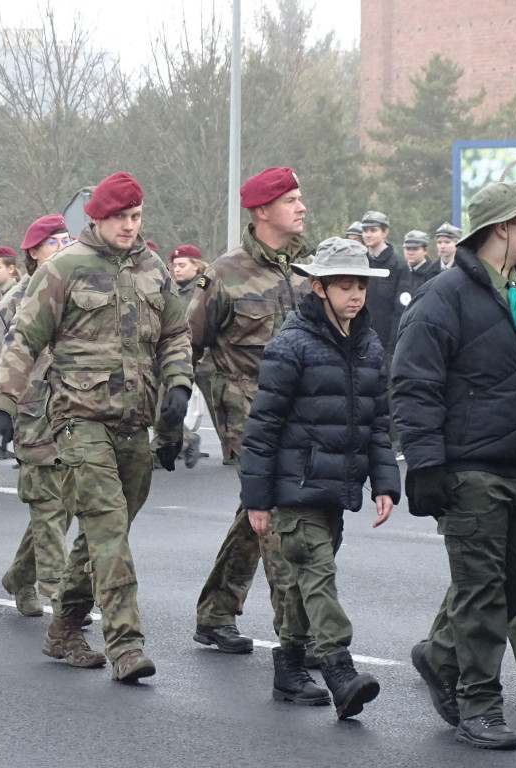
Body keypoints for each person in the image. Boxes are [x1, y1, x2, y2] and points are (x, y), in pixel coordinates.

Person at [0, 172, 192, 682]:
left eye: (136, 216)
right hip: (78, 419)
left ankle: (65, 627)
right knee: (108, 528)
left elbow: (175, 332)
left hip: (134, 421)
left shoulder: (152, 267)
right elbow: (23, 342)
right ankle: (126, 645)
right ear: (96, 218)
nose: (129, 225)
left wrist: (179, 386)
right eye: (120, 217)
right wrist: (2, 408)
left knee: (103, 532)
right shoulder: (64, 267)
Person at [392, 181, 516, 750]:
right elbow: (413, 383)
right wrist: (424, 463)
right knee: (480, 590)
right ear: (501, 228)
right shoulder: (444, 295)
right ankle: (479, 704)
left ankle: (440, 654)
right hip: (469, 467)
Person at [242, 237, 399, 719]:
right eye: (345, 286)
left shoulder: (369, 344)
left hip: (336, 489)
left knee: (301, 583)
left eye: (362, 286)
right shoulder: (291, 344)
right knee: (318, 575)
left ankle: (288, 666)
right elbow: (263, 425)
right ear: (319, 288)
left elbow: (377, 420)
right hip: (295, 489)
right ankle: (339, 669)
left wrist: (385, 483)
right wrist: (258, 500)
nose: (356, 295)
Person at [187, 167, 312, 653]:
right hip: (245, 409)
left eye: (301, 199)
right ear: (262, 211)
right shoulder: (222, 274)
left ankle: (215, 613)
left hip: (298, 411)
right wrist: (180, 409)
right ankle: (299, 639)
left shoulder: (311, 268)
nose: (302, 207)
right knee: (278, 513)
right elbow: (186, 342)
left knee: (255, 512)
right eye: (291, 200)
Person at [0, 214, 74, 616]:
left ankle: (20, 575)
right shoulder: (15, 301)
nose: (65, 246)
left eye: (68, 239)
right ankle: (59, 597)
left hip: (73, 412)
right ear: (34, 253)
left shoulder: (75, 289)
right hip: (32, 414)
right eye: (55, 242)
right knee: (48, 504)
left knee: (64, 503)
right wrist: (2, 413)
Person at [169, 244, 207, 469]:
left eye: (182, 265)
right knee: (165, 403)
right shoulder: (171, 288)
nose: (177, 269)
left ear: (196, 265)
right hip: (176, 353)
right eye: (174, 265)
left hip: (204, 355)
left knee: (224, 408)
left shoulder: (204, 287)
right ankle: (183, 440)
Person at [360, 211, 410, 357]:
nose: (368, 235)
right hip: (359, 339)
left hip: (386, 343)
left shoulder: (398, 265)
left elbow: (401, 310)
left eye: (373, 230)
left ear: (385, 232)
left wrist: (393, 346)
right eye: (365, 230)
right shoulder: (359, 262)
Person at [403, 230, 439, 295]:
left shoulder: (433, 273)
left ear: (425, 251)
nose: (410, 253)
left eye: (415, 249)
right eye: (408, 249)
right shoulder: (400, 270)